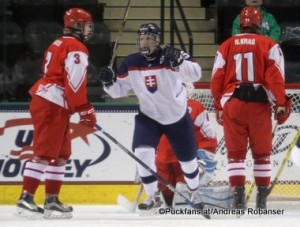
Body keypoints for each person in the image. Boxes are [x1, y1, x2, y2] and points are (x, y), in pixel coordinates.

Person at [98, 23, 204, 211]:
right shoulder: (131, 62)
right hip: (149, 117)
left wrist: (180, 62)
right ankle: (153, 195)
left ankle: (195, 192)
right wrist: (108, 81)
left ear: (158, 40)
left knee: (188, 160)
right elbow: (117, 91)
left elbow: (195, 75)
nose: (144, 42)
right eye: (141, 38)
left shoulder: (172, 56)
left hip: (176, 116)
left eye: (148, 38)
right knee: (142, 153)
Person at [16, 8, 97, 219]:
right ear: (78, 25)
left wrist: (77, 107)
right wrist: (84, 108)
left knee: (60, 154)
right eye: (87, 24)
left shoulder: (58, 43)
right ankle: (26, 199)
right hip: (52, 102)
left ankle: (51, 200)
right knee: (44, 152)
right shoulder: (76, 47)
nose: (89, 29)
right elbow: (74, 81)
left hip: (54, 101)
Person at [210, 7, 291, 210]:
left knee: (235, 155)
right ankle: (261, 200)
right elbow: (275, 78)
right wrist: (281, 103)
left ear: (241, 23)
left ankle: (238, 198)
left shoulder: (225, 45)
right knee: (262, 154)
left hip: (233, 104)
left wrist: (218, 103)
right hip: (259, 104)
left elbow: (216, 79)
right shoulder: (269, 44)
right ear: (259, 24)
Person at [156, 83, 218, 207]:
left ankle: (168, 204)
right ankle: (174, 204)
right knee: (180, 189)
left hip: (167, 157)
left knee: (171, 190)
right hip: (180, 157)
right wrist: (206, 151)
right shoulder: (195, 106)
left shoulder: (158, 106)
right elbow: (208, 134)